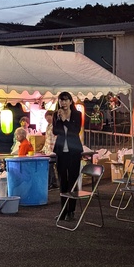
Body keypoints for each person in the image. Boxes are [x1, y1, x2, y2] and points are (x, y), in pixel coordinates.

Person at [53, 91, 84, 221]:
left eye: (66, 100)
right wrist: (60, 119)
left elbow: (75, 131)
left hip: (74, 152)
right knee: (63, 182)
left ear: (71, 101)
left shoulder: (77, 114)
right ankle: (63, 211)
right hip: (61, 152)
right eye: (61, 100)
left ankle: (71, 210)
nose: (63, 103)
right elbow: (56, 131)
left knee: (72, 181)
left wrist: (65, 120)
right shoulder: (56, 114)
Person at [41, 110, 59, 190]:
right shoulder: (48, 126)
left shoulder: (56, 126)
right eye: (47, 119)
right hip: (48, 150)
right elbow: (47, 139)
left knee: (50, 165)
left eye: (49, 119)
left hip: (55, 150)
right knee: (49, 165)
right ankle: (53, 183)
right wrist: (44, 149)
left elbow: (55, 139)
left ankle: (51, 183)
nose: (48, 121)